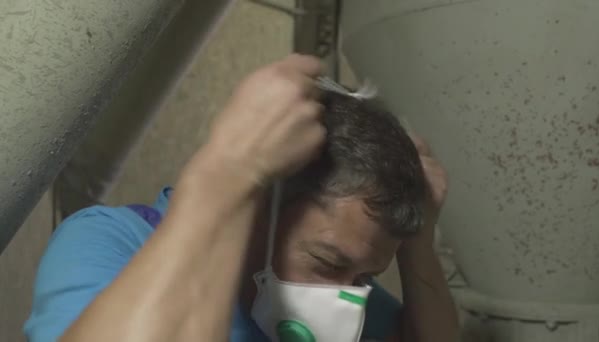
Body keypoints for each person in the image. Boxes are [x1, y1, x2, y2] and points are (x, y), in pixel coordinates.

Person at [24, 54, 459, 342]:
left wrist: (419, 238)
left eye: (363, 277)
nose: (346, 302)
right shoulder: (112, 242)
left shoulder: (339, 294)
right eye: (328, 263)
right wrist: (230, 172)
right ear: (262, 207)